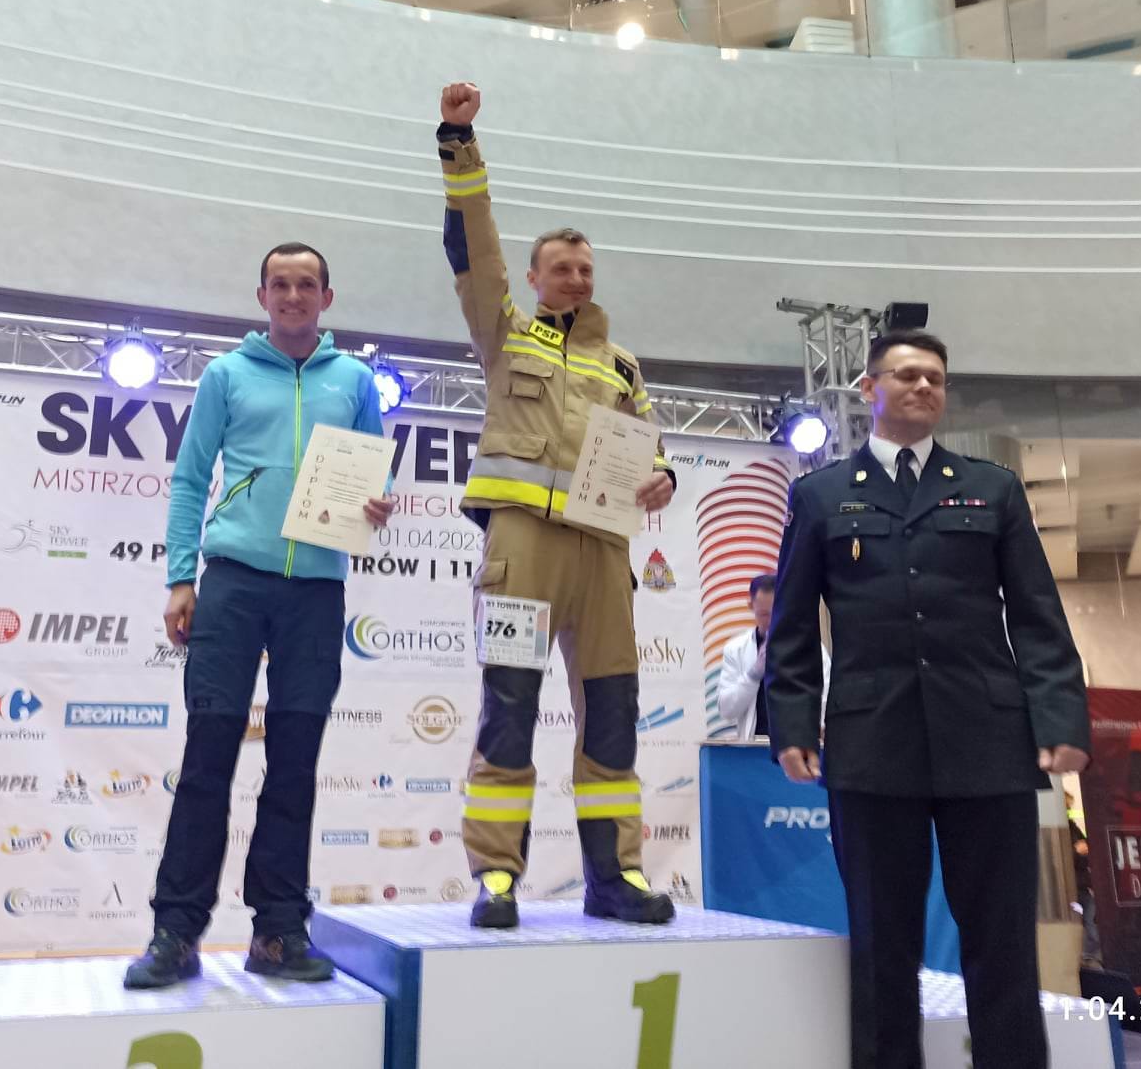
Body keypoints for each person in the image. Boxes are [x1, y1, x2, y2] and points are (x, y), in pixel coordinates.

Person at [763, 328, 1091, 1069]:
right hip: (871, 746)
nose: (923, 387)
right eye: (907, 375)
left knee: (1003, 943)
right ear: (868, 390)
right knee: (881, 945)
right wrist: (793, 722)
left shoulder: (993, 487)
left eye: (935, 379)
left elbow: (1037, 614)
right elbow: (791, 625)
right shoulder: (819, 495)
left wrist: (1061, 717)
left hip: (989, 743)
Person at [435, 82, 677, 929]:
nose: (575, 278)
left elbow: (650, 445)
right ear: (534, 278)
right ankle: (497, 876)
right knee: (509, 705)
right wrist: (459, 144)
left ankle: (615, 876)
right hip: (524, 548)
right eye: (561, 268)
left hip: (604, 554)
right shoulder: (504, 333)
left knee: (612, 714)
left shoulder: (623, 364)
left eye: (585, 269)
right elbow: (474, 247)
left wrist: (664, 477)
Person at [125, 242, 395, 989]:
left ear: (327, 299)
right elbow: (190, 479)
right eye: (280, 283)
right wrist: (182, 578)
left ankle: (278, 931)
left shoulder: (355, 381)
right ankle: (176, 932)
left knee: (294, 766)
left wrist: (377, 504)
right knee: (207, 757)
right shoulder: (226, 374)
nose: (293, 295)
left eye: (307, 284)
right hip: (234, 583)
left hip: (316, 590)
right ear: (262, 295)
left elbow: (373, 472)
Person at [719, 574, 831, 741]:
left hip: (798, 745)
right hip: (754, 747)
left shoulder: (811, 648)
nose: (772, 621)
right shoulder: (736, 649)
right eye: (764, 614)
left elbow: (826, 699)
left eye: (777, 612)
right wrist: (754, 674)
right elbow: (726, 710)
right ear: (751, 606)